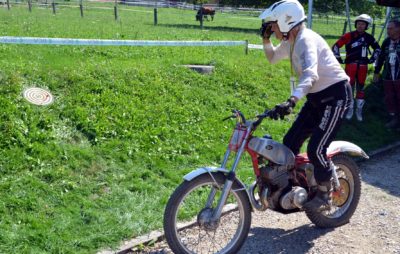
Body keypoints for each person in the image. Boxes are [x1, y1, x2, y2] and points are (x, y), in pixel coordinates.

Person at [259, 0, 351, 210]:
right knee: (289, 142)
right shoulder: (290, 41)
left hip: (335, 96)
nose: (271, 28)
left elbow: (311, 74)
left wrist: (292, 100)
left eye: (272, 25)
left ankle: (325, 194)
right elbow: (272, 58)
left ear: (286, 21)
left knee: (316, 149)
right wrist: (265, 40)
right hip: (316, 98)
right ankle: (295, 187)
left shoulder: (306, 40)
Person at [332, 14, 381, 122]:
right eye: (358, 23)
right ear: (356, 24)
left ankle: (359, 111)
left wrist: (372, 59)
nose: (360, 26)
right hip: (350, 65)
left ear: (367, 26)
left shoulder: (369, 37)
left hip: (363, 67)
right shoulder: (348, 35)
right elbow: (336, 46)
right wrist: (338, 58)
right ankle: (349, 110)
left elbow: (378, 49)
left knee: (361, 89)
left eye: (363, 24)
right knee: (349, 88)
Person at [373, 19, 400, 129]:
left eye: (390, 28)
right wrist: (376, 72)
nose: (388, 31)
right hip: (388, 76)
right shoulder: (386, 42)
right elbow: (380, 58)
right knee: (390, 98)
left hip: (399, 76)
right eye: (388, 28)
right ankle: (394, 118)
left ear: (398, 29)